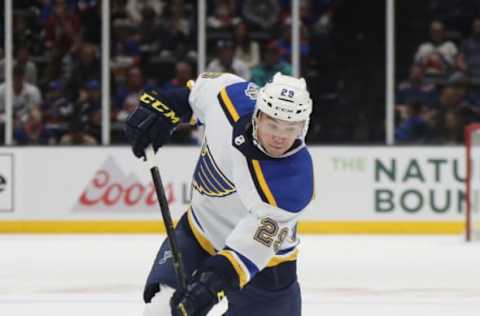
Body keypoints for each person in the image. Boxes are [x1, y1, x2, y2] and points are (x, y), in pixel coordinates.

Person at [125, 72, 314, 316]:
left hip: (266, 269)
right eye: (273, 124)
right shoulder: (231, 97)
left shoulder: (293, 183)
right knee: (161, 310)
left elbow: (245, 256)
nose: (280, 137)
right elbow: (191, 97)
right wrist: (162, 107)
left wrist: (208, 288)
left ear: (303, 127)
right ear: (258, 115)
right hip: (198, 233)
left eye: (291, 128)